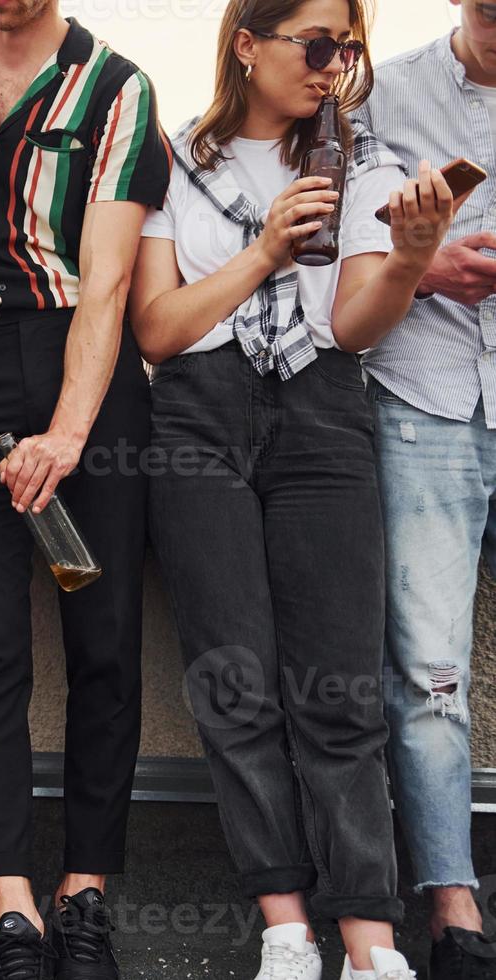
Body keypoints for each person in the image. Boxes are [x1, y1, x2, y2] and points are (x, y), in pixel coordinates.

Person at [127, 0, 456, 977]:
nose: (335, 64)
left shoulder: (359, 159)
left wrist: (410, 256)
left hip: (320, 410)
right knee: (235, 678)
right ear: (246, 43)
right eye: (317, 44)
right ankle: (283, 920)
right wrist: (264, 251)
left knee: (340, 682)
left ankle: (369, 935)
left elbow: (354, 324)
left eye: (347, 46)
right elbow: (157, 328)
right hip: (197, 413)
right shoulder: (170, 160)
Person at [0, 1, 170, 976]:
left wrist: (66, 428)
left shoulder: (115, 84)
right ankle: (11, 906)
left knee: (103, 641)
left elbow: (106, 282)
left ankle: (85, 894)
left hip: (85, 368)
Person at [351, 2, 496, 976]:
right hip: (423, 399)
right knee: (430, 669)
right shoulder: (382, 92)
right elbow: (332, 248)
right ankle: (453, 902)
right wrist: (420, 264)